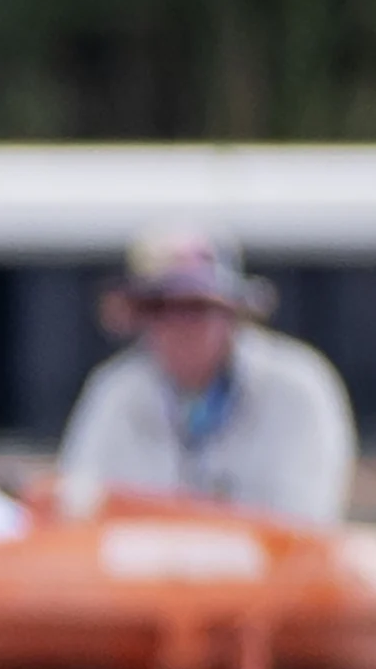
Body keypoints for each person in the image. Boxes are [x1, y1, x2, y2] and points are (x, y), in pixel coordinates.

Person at [55, 225, 357, 524]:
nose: (178, 325)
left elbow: (306, 520)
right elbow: (78, 508)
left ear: (231, 311)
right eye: (158, 307)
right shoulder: (115, 391)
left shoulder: (298, 388)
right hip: (141, 556)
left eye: (196, 307)